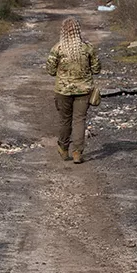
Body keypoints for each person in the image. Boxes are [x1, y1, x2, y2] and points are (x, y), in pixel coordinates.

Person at [45, 17, 101, 164]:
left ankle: (63, 149)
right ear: (78, 30)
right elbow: (96, 69)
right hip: (83, 90)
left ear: (63, 31)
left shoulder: (57, 48)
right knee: (79, 120)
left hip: (63, 91)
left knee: (65, 120)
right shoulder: (87, 48)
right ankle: (77, 152)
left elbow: (50, 70)